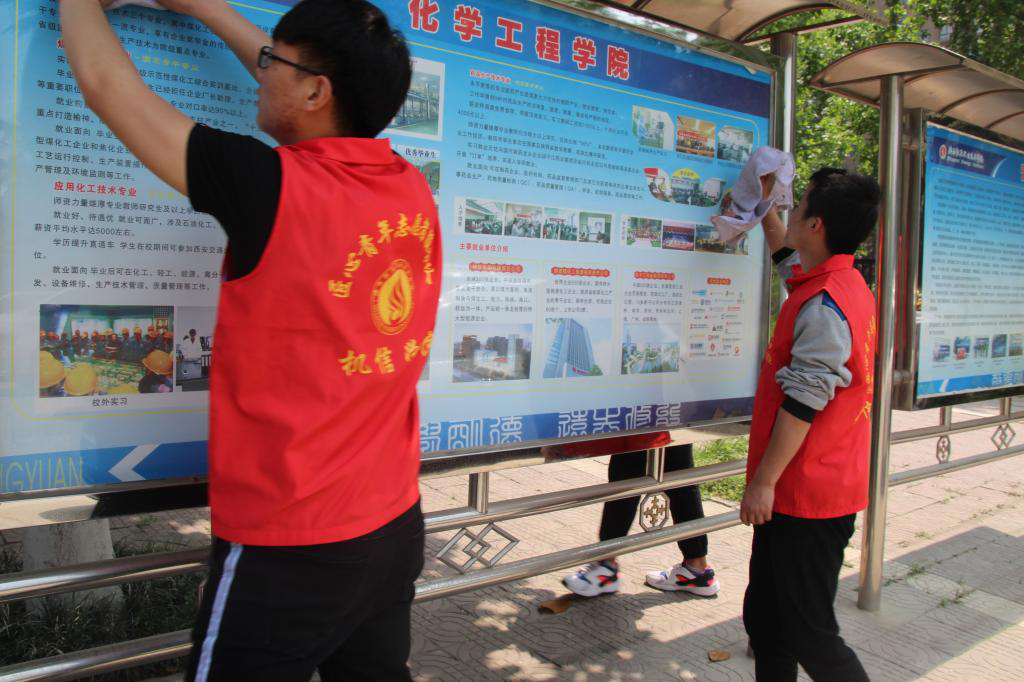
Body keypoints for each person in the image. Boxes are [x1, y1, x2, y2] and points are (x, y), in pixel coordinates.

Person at [61, 1, 441, 680]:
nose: (261, 69)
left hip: (293, 548)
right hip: (391, 521)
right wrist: (202, 7)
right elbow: (310, 86)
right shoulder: (407, 186)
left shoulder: (271, 187)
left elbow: (106, 86)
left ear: (317, 92)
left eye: (273, 61)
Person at [740, 168, 879, 682]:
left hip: (808, 494)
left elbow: (804, 401)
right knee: (768, 621)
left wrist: (763, 482)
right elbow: (787, 260)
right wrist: (763, 207)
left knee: (809, 633)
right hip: (807, 485)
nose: (791, 210)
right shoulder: (838, 282)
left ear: (816, 225)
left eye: (798, 206)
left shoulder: (825, 304)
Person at [563, 436, 720, 597]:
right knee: (679, 472)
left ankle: (605, 566)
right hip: (672, 421)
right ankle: (697, 569)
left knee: (628, 469)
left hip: (649, 421)